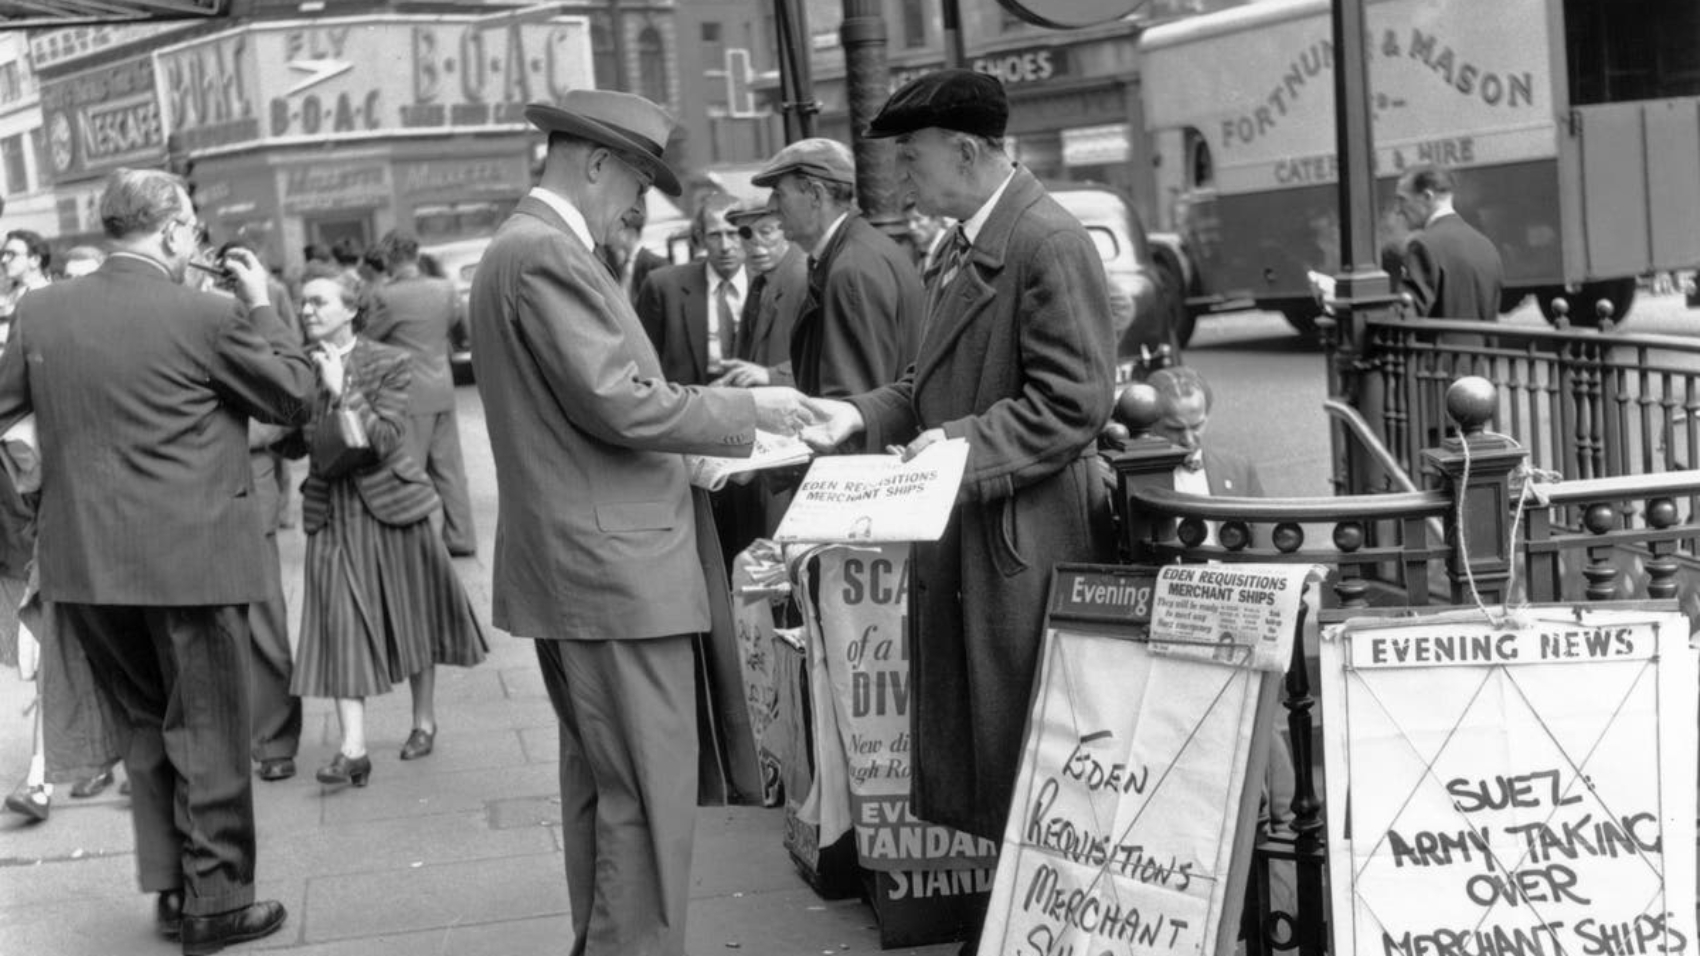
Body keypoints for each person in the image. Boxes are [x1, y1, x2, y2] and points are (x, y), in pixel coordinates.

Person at [469, 89, 811, 956]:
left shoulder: (527, 248)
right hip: (613, 573)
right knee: (646, 803)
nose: (638, 204)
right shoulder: (546, 253)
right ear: (595, 163)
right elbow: (620, 401)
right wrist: (752, 412)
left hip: (588, 566)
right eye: (635, 182)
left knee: (607, 787)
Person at [801, 70, 1117, 853]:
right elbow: (927, 380)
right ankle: (1008, 917)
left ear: (968, 151)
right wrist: (854, 413)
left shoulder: (1045, 240)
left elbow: (1076, 403)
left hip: (1024, 545)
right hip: (982, 537)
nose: (900, 175)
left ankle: (1031, 921)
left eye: (912, 156)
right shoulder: (972, 240)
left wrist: (958, 448)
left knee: (1031, 753)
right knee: (993, 750)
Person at [0, 167, 311, 952]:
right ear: (173, 231)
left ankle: (174, 892)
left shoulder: (38, 311)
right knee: (207, 729)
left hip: (88, 567)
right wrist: (265, 303)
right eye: (194, 232)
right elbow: (294, 397)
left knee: (146, 729)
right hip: (193, 561)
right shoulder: (204, 314)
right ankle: (218, 904)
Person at [284, 273, 487, 790]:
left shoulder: (389, 362)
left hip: (392, 506)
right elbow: (290, 442)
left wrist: (342, 390)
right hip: (332, 508)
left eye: (319, 301)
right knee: (339, 626)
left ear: (351, 310)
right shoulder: (298, 367)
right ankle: (353, 748)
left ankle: (423, 721)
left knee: (411, 615)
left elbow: (388, 439)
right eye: (304, 302)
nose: (307, 310)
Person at [752, 137, 924, 397]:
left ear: (815, 195)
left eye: (779, 193)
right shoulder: (859, 253)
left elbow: (854, 406)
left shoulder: (851, 270)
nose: (771, 206)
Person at [363, 231, 478, 556]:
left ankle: (411, 544)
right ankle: (461, 537)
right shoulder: (444, 289)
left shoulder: (386, 297)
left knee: (407, 468)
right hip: (442, 389)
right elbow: (459, 329)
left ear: (387, 259)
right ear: (416, 255)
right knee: (450, 470)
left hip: (406, 395)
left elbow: (368, 338)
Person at [637, 193, 748, 388]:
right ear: (701, 238)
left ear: (747, 234)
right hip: (689, 406)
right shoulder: (663, 287)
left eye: (732, 234)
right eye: (715, 235)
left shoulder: (769, 285)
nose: (725, 246)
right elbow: (642, 362)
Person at [1391, 163, 1504, 319]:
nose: (1398, 210)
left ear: (1427, 197)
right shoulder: (1486, 246)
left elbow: (1406, 317)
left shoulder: (1423, 246)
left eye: (1403, 200)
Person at [599, 207, 667, 305]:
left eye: (618, 229)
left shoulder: (656, 264)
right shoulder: (619, 266)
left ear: (631, 233)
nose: (612, 236)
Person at [0, 230, 52, 347]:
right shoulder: (6, 295)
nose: (3, 260)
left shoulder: (50, 297)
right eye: (2, 254)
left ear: (34, 260)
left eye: (11, 254)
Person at [905, 202, 952, 277]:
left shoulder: (952, 249)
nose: (911, 227)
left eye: (918, 219)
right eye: (907, 221)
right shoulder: (920, 253)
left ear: (937, 219)